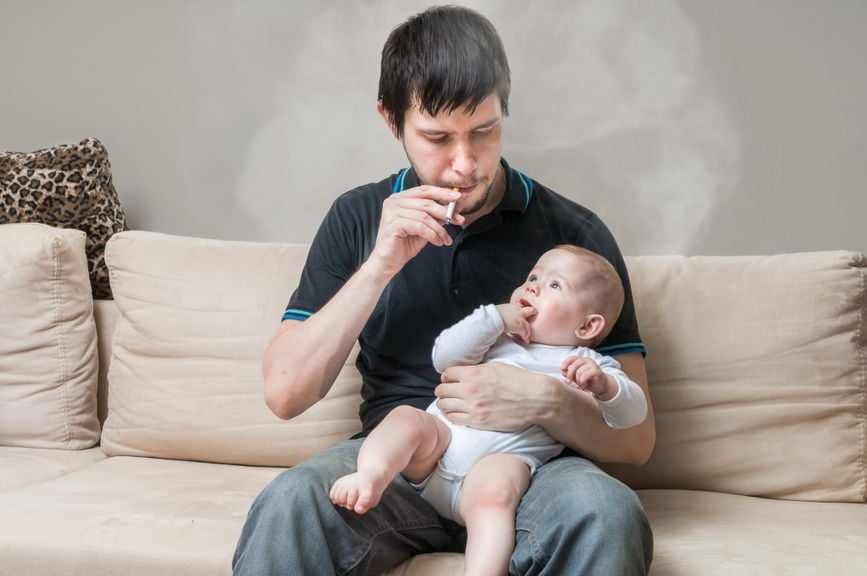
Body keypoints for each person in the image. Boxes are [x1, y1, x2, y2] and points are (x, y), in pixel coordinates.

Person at [233, 5, 655, 575]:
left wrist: (545, 402)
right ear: (391, 120)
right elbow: (285, 393)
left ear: (505, 106)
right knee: (291, 502)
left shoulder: (575, 237)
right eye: (436, 137)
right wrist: (380, 265)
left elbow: (637, 444)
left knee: (605, 510)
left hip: (531, 469)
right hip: (405, 459)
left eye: (483, 131)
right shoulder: (358, 217)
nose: (463, 164)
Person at [330, 245, 648, 575]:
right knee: (406, 418)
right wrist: (493, 318)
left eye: (555, 285)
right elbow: (444, 356)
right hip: (436, 448)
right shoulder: (499, 339)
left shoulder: (589, 365)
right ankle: (370, 475)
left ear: (586, 327)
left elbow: (631, 416)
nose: (533, 286)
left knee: (496, 503)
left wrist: (606, 387)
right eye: (533, 276)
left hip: (497, 465)